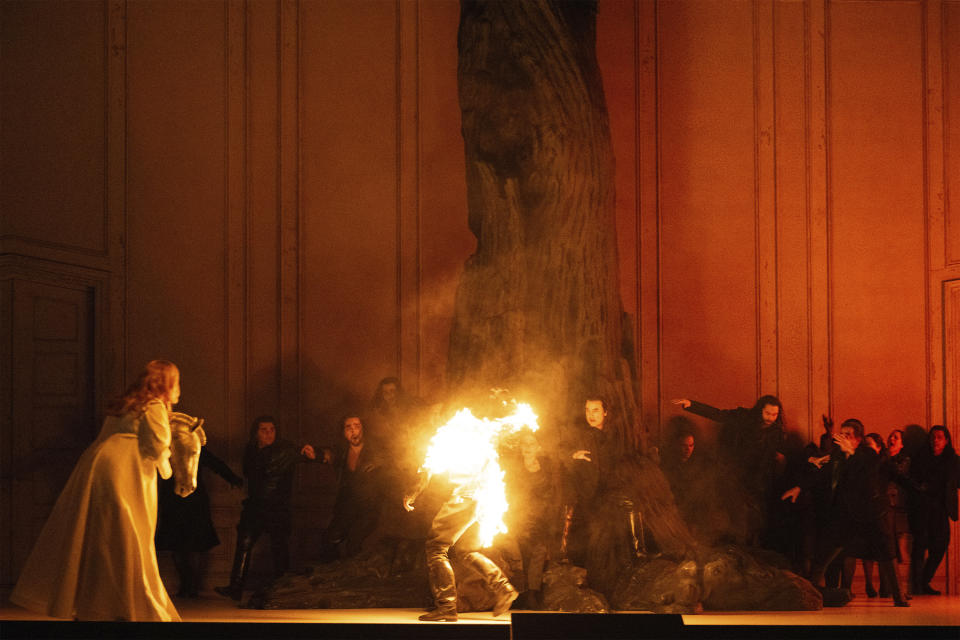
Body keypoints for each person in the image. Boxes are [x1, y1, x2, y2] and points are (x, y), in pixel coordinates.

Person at [11, 360, 183, 621]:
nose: (179, 389)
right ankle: (125, 604)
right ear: (167, 384)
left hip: (98, 466)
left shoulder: (127, 405)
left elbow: (107, 437)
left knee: (99, 535)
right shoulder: (155, 406)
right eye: (177, 383)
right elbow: (157, 446)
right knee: (128, 535)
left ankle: (95, 603)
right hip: (126, 472)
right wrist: (170, 469)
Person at [403, 409, 519, 622]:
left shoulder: (450, 437)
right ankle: (503, 588)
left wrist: (413, 492)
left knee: (436, 547)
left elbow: (428, 468)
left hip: (465, 498)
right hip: (482, 500)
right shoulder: (476, 437)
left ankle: (446, 605)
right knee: (466, 550)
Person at [782, 418, 908, 607]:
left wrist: (851, 451)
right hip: (847, 514)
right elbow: (821, 474)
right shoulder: (838, 456)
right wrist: (800, 487)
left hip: (871, 515)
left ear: (857, 439)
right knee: (825, 552)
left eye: (847, 434)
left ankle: (899, 597)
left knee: (887, 554)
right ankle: (808, 591)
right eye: (841, 434)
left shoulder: (869, 454)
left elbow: (869, 474)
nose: (842, 438)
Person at [215, 416, 316, 601]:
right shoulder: (251, 450)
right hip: (255, 506)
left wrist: (312, 454)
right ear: (256, 433)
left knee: (279, 548)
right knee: (244, 544)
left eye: (272, 430)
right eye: (264, 430)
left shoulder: (285, 449)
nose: (269, 433)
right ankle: (235, 587)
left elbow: (305, 455)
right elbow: (249, 473)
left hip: (277, 508)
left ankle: (283, 589)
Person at [671, 395, 786, 546]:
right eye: (767, 413)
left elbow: (775, 456)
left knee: (757, 519)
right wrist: (691, 404)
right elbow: (719, 414)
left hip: (758, 480)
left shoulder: (776, 432)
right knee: (737, 514)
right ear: (759, 410)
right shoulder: (743, 417)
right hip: (734, 474)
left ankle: (752, 548)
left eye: (774, 414)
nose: (770, 418)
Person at [155, 444, 242, 597]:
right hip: (179, 502)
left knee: (189, 545)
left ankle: (189, 585)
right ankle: (188, 585)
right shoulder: (169, 447)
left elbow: (215, 463)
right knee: (181, 545)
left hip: (188, 502)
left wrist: (233, 478)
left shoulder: (190, 446)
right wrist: (233, 478)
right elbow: (215, 463)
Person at [312, 414, 385, 561]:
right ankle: (332, 575)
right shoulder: (342, 451)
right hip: (347, 506)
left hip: (369, 507)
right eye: (348, 427)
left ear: (363, 429)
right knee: (330, 539)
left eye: (357, 426)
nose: (353, 431)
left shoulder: (375, 450)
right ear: (344, 432)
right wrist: (315, 454)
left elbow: (392, 462)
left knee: (354, 542)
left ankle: (354, 577)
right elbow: (327, 455)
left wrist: (380, 463)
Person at [906, 425, 958, 595]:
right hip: (922, 508)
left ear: (946, 440)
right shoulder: (920, 458)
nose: (935, 440)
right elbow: (911, 482)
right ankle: (918, 586)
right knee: (919, 546)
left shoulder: (953, 460)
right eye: (933, 437)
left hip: (941, 509)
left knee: (941, 545)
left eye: (939, 437)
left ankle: (923, 581)